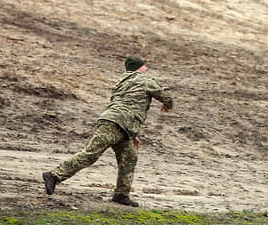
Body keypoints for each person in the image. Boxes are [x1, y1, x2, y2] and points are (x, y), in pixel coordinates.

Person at [42, 56, 173, 207]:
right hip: (114, 123)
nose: (146, 69)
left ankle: (121, 195)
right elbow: (166, 95)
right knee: (91, 154)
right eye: (144, 67)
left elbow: (127, 105)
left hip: (120, 125)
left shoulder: (122, 81)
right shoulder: (144, 80)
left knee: (129, 157)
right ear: (138, 67)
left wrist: (133, 134)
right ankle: (54, 175)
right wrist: (168, 105)